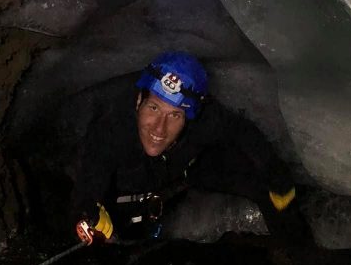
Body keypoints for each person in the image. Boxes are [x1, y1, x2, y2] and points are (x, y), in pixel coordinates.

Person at [71, 51, 308, 246]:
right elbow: (91, 173)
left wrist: (273, 170)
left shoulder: (204, 120)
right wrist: (87, 208)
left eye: (175, 115)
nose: (159, 129)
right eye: (153, 108)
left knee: (268, 191)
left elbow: (241, 132)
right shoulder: (113, 128)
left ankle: (299, 259)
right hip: (124, 195)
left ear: (189, 118)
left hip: (183, 176)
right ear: (138, 100)